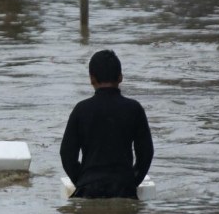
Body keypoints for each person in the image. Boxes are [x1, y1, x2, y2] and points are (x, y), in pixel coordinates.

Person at [59, 50, 154, 198]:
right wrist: (131, 181)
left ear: (92, 79)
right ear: (120, 77)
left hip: (88, 189)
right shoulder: (134, 109)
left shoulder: (81, 110)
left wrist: (83, 181)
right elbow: (146, 153)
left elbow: (66, 154)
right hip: (123, 188)